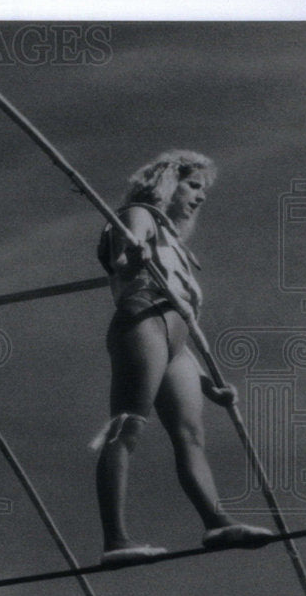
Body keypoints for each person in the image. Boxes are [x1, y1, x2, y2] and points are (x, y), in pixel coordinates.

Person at [93, 150, 272, 566]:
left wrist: (210, 386)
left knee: (191, 436)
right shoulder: (140, 213)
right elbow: (122, 259)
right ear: (170, 182)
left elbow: (183, 316)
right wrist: (131, 257)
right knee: (127, 425)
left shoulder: (179, 246)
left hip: (176, 344)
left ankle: (217, 522)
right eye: (194, 185)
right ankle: (116, 540)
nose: (200, 196)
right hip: (143, 320)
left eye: (202, 189)